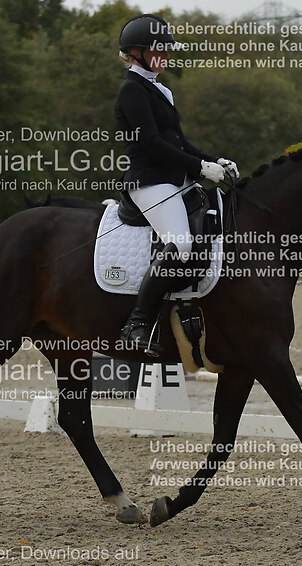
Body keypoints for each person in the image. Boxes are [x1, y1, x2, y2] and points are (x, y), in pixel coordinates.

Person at [114, 14, 238, 356]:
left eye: (167, 50)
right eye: (159, 50)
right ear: (136, 53)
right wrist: (199, 168)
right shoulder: (131, 90)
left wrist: (214, 160)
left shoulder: (160, 89)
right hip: (150, 181)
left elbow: (179, 142)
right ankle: (136, 324)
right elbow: (152, 144)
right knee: (181, 243)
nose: (166, 56)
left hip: (175, 179)